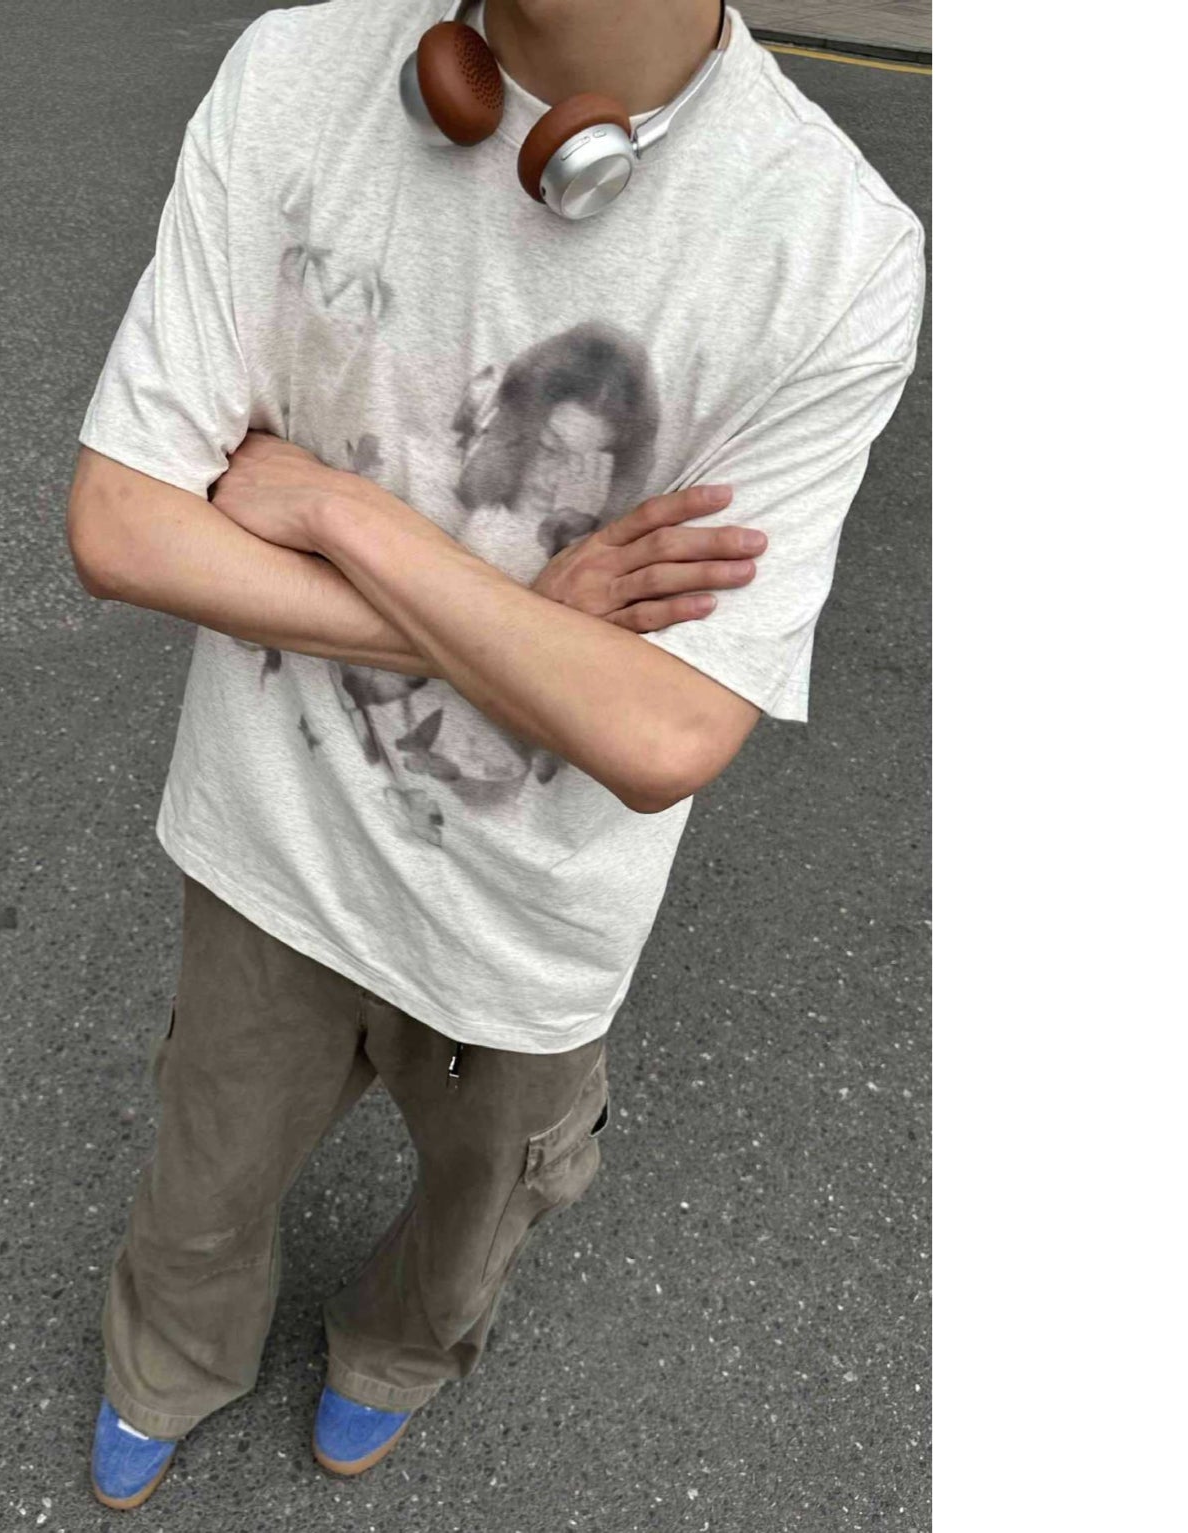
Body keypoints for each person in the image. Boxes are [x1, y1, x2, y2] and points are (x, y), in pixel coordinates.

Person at [67, 0, 924, 1510]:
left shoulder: (832, 248)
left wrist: (339, 512)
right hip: (265, 847)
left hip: (535, 929)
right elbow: (127, 523)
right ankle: (167, 1363)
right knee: (199, 1182)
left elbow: (661, 729)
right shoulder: (295, 74)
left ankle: (396, 1358)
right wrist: (536, 626)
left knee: (474, 1220)